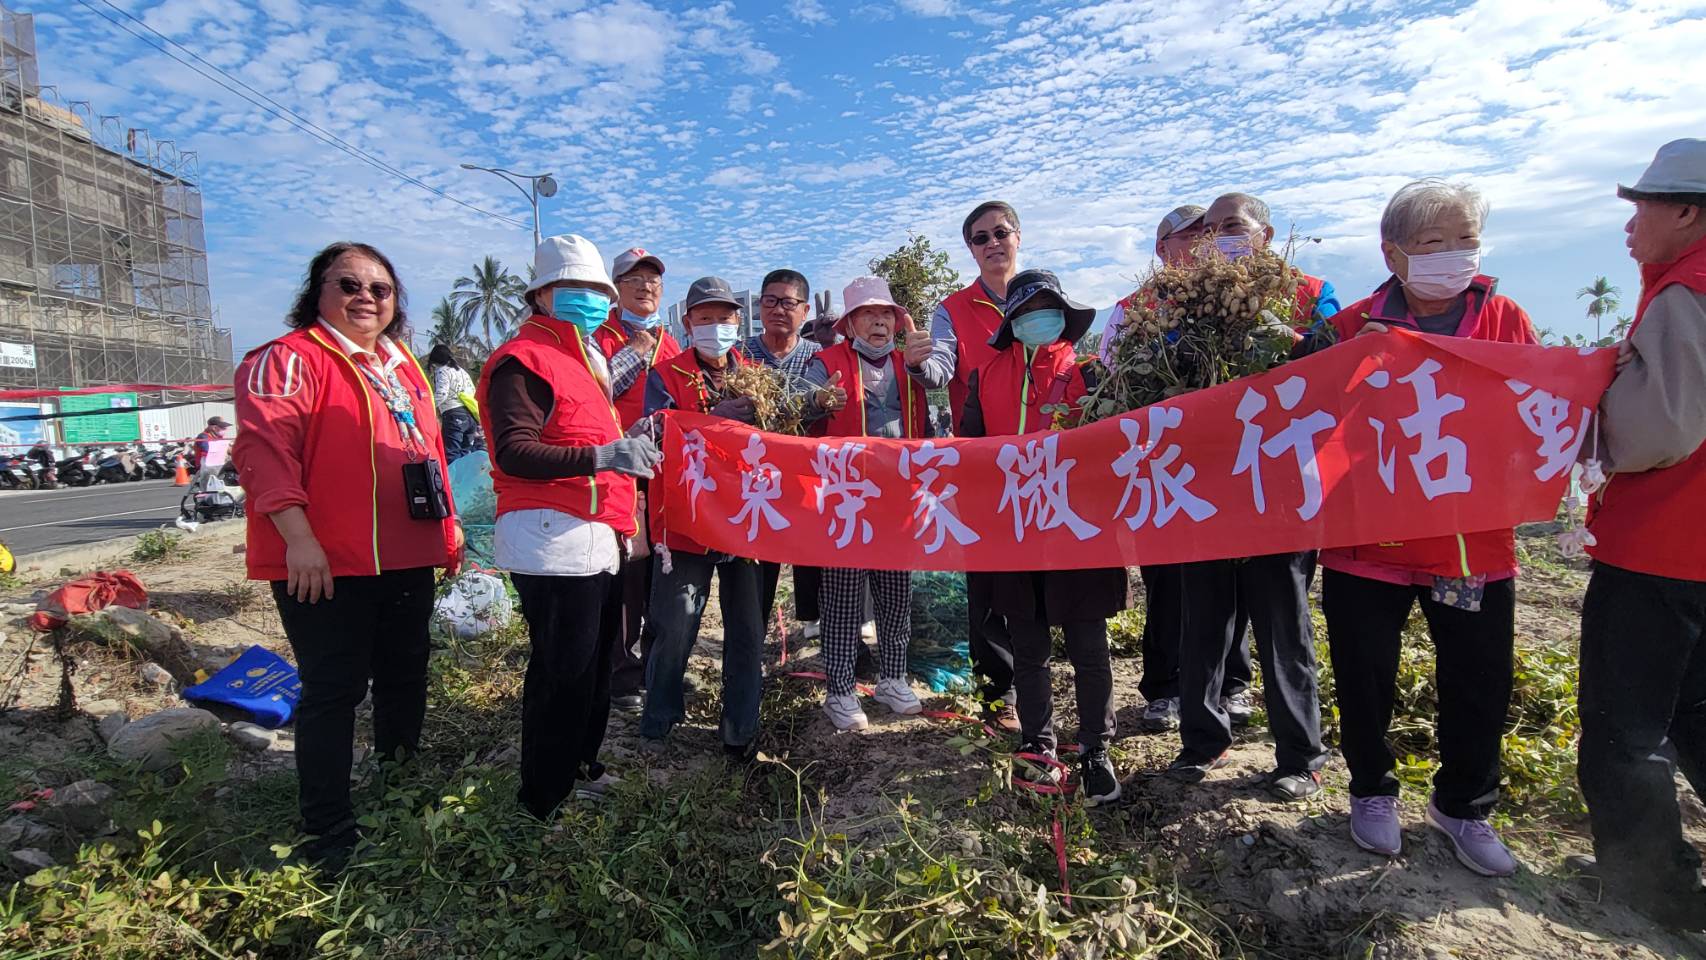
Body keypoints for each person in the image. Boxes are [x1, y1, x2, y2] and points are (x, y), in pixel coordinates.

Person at [1319, 179, 1533, 877]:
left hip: (1470, 544)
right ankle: (1372, 790)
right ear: (1393, 253)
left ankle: (1464, 805)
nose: (1455, 256)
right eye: (1435, 244)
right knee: (1365, 673)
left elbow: (1539, 408)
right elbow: (1299, 412)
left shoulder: (1504, 318)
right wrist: (1354, 369)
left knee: (1477, 679)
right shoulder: (1352, 327)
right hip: (1366, 542)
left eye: (1466, 241)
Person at [232, 242, 463, 872]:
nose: (366, 298)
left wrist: (447, 531)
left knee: (405, 676)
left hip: (407, 554)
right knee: (334, 691)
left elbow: (431, 454)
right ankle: (328, 829)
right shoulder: (286, 359)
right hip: (325, 561)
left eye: (380, 288)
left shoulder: (403, 366)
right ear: (319, 292)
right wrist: (299, 538)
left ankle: (398, 785)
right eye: (349, 285)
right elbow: (263, 452)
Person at [478, 234, 661, 819]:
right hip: (551, 537)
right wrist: (604, 458)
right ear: (542, 295)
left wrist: (620, 457)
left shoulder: (585, 360)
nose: (591, 299)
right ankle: (542, 799)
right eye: (576, 288)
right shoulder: (522, 360)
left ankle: (583, 765)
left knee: (594, 666)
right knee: (562, 671)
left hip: (596, 533)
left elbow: (592, 439)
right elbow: (515, 453)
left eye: (596, 290)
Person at [1576, 138, 1706, 930]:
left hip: (1660, 547)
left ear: (1688, 213)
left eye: (1642, 208)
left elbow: (1657, 429)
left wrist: (1590, 416)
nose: (1630, 226)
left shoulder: (1687, 293)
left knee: (1625, 728)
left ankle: (1652, 890)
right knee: (1695, 710)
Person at [1168, 190, 1332, 801]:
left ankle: (1299, 755)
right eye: (1208, 231)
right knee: (1205, 620)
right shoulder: (1186, 302)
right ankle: (1202, 741)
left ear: (1265, 233)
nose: (1219, 239)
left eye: (1232, 226)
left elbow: (1334, 357)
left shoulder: (1311, 291)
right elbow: (1160, 371)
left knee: (1282, 621)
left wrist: (1285, 336)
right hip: (1207, 484)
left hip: (1281, 485)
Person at [959, 269, 1125, 806]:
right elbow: (969, 451)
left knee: (1088, 646)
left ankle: (1096, 749)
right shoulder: (987, 376)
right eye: (1028, 310)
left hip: (1080, 531)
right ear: (1012, 321)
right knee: (1028, 648)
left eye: (1049, 308)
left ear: (1065, 317)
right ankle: (1038, 745)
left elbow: (1119, 446)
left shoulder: (1092, 373)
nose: (1039, 318)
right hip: (1016, 530)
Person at [1100, 204, 1257, 733]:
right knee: (1166, 580)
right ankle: (1162, 687)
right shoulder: (1132, 308)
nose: (1198, 245)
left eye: (1205, 235)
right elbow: (1107, 382)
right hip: (1163, 467)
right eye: (1186, 237)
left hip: (1230, 463)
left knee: (1232, 575)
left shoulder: (1234, 299)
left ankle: (1232, 683)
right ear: (1161, 248)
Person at [907, 199, 1023, 732]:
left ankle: (1035, 678)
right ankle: (1001, 696)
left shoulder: (1043, 297)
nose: (992, 243)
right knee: (987, 582)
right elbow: (939, 369)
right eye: (980, 238)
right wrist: (919, 362)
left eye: (1000, 232)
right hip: (980, 467)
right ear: (971, 249)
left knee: (1038, 575)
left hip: (1042, 463)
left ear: (1017, 236)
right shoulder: (953, 310)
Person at [639, 276, 766, 762]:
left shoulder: (754, 375)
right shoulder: (666, 375)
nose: (717, 326)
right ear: (688, 321)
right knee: (676, 624)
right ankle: (659, 721)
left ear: (739, 320)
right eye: (706, 317)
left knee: (747, 630)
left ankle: (740, 730)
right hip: (687, 523)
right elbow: (653, 433)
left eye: (726, 317)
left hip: (746, 519)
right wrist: (714, 414)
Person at [798, 276, 929, 730]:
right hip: (845, 497)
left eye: (886, 313)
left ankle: (893, 677)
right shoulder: (825, 362)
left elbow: (935, 391)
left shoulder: (907, 362)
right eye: (867, 314)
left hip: (897, 497)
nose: (879, 321)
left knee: (896, 593)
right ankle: (839, 689)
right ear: (850, 323)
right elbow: (799, 407)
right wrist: (817, 399)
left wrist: (919, 362)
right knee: (843, 597)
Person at [595, 247, 678, 714]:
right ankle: (621, 675)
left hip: (664, 471)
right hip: (618, 468)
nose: (645, 286)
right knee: (625, 571)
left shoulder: (673, 340)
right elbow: (597, 389)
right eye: (634, 279)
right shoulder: (600, 335)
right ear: (616, 288)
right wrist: (635, 352)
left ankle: (655, 668)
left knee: (660, 574)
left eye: (653, 279)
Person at [737, 269, 830, 649]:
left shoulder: (818, 358)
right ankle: (751, 640)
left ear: (805, 310)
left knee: (812, 552)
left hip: (804, 477)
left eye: (788, 302)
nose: (778, 309)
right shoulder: (740, 354)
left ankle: (815, 620)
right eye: (770, 301)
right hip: (753, 478)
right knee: (758, 563)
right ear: (760, 306)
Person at [427, 344, 482, 463]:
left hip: (454, 414)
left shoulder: (442, 371)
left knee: (451, 453)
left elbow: (442, 393)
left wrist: (428, 407)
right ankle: (466, 480)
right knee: (466, 453)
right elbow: (472, 391)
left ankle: (452, 481)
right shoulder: (462, 371)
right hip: (469, 416)